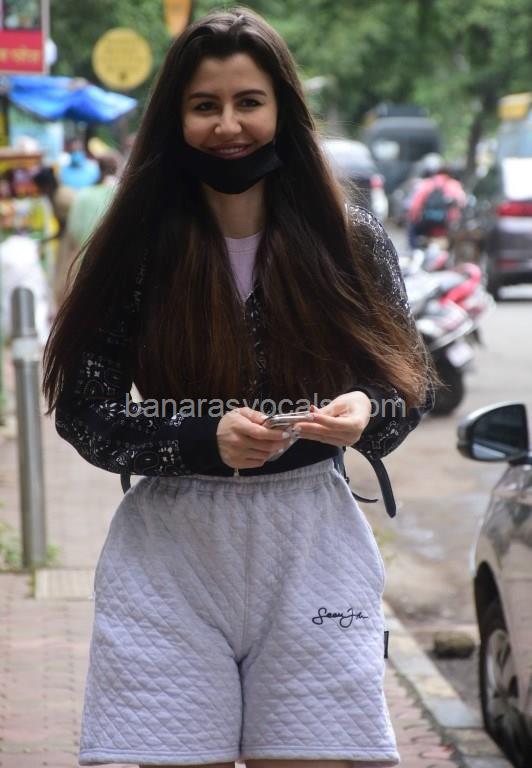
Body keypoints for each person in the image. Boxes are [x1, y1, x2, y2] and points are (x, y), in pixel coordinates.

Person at [43, 8, 433, 768]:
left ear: (282, 110)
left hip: (316, 550)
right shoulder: (136, 245)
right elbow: (85, 414)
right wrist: (200, 439)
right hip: (168, 560)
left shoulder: (348, 236)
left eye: (248, 101)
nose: (228, 125)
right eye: (205, 105)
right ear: (175, 118)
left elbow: (405, 385)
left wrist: (367, 411)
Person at [53, 155, 119, 305]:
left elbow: (74, 231)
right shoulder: (124, 193)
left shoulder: (83, 195)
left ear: (98, 169)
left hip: (87, 265)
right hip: (116, 266)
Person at [407, 153, 467, 249]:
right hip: (447, 226)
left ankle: (414, 251)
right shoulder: (454, 185)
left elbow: (414, 206)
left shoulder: (427, 184)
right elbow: (463, 203)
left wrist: (414, 219)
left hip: (426, 224)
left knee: (412, 232)